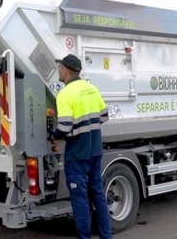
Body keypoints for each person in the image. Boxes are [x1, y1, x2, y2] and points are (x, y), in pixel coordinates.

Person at [52, 54, 112, 239]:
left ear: (65, 70)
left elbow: (64, 126)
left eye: (59, 68)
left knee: (79, 199)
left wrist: (53, 136)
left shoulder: (65, 94)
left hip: (77, 154)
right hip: (95, 150)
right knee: (98, 195)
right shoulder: (91, 89)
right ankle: (106, 236)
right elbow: (104, 116)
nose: (58, 71)